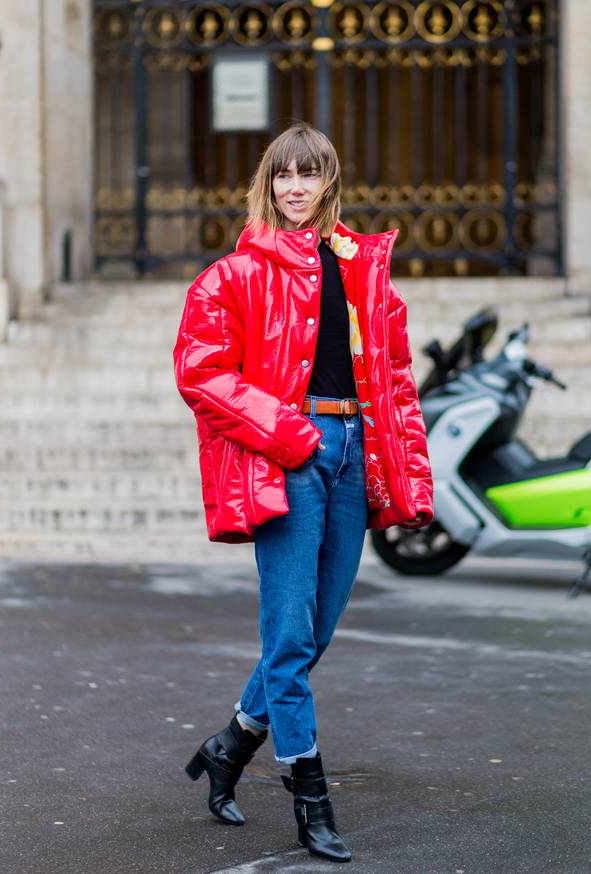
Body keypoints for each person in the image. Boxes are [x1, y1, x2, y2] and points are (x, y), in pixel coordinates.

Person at [173, 122, 433, 863]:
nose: (295, 187)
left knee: (315, 632)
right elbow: (201, 372)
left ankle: (230, 746)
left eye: (308, 174)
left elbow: (396, 381)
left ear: (328, 182)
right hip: (293, 453)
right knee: (288, 638)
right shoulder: (236, 273)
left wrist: (407, 468)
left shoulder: (363, 268)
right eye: (282, 174)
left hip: (355, 452)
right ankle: (309, 797)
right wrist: (290, 434)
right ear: (267, 182)